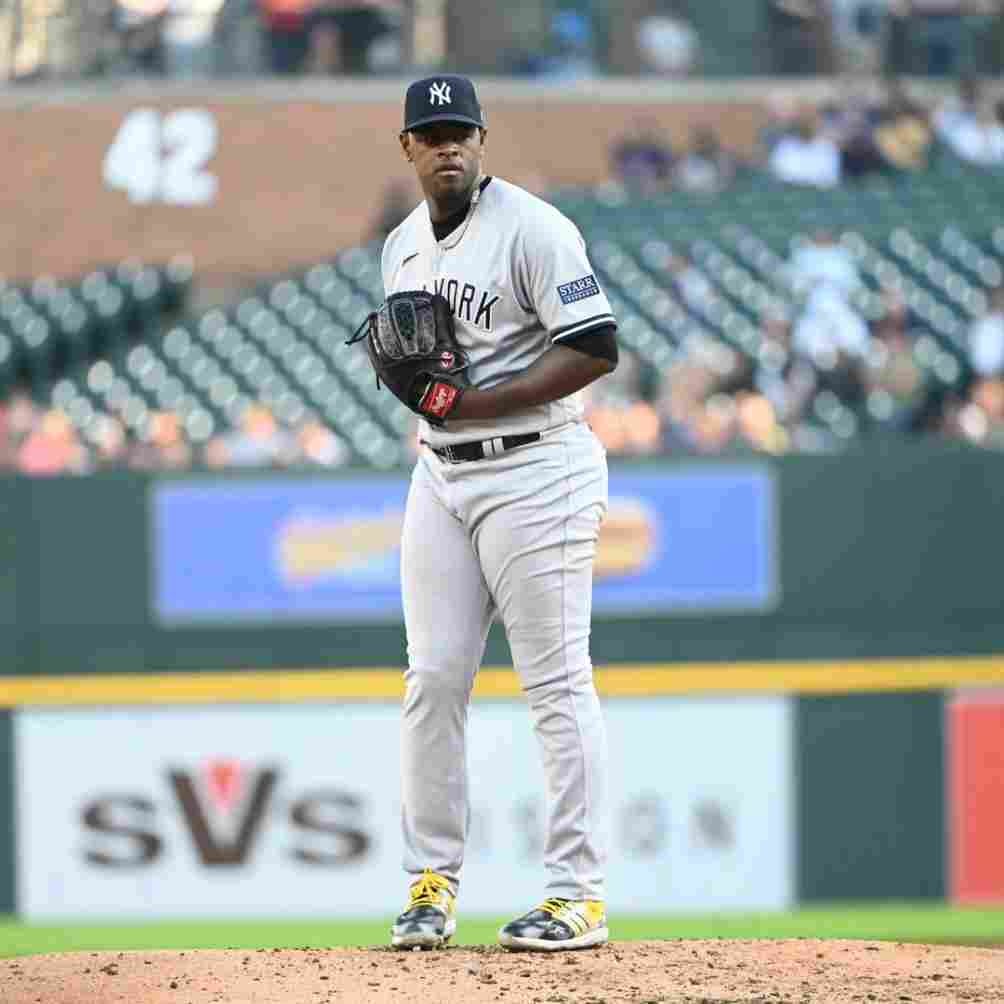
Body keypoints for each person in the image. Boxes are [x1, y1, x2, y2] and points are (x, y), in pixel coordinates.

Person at [381, 74, 618, 952]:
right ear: (407, 148)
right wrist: (433, 404)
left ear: (482, 140)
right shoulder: (402, 246)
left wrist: (471, 405)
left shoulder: (534, 228)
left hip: (538, 469)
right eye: (431, 133)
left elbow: (597, 348)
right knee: (433, 679)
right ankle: (430, 883)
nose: (447, 145)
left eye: (461, 131)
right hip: (440, 476)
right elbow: (422, 381)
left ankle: (577, 895)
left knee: (555, 683)